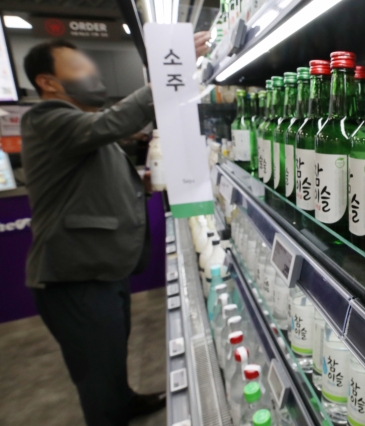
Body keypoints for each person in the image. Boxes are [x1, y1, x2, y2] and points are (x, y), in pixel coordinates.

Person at [20, 40, 163, 426]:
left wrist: (140, 184)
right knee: (96, 373)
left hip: (102, 267)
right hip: (74, 275)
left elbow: (92, 178)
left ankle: (125, 400)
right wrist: (171, 69)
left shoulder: (78, 123)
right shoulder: (47, 118)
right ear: (47, 81)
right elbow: (111, 123)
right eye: (79, 67)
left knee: (111, 353)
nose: (93, 74)